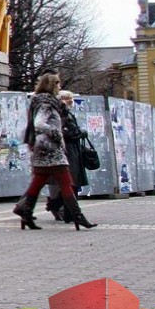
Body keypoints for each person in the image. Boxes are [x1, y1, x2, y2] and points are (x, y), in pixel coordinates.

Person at [13, 72, 97, 231]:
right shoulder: (47, 104)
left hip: (41, 148)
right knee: (66, 182)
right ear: (51, 85)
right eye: (57, 83)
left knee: (39, 181)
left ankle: (25, 212)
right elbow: (39, 123)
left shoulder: (43, 101)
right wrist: (56, 133)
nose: (59, 86)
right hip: (51, 149)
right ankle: (78, 217)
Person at [45, 90, 89, 221]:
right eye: (66, 98)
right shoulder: (59, 114)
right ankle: (65, 211)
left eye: (71, 98)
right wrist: (81, 132)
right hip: (66, 152)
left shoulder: (66, 113)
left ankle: (66, 211)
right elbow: (66, 133)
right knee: (68, 183)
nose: (70, 100)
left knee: (68, 183)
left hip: (70, 152)